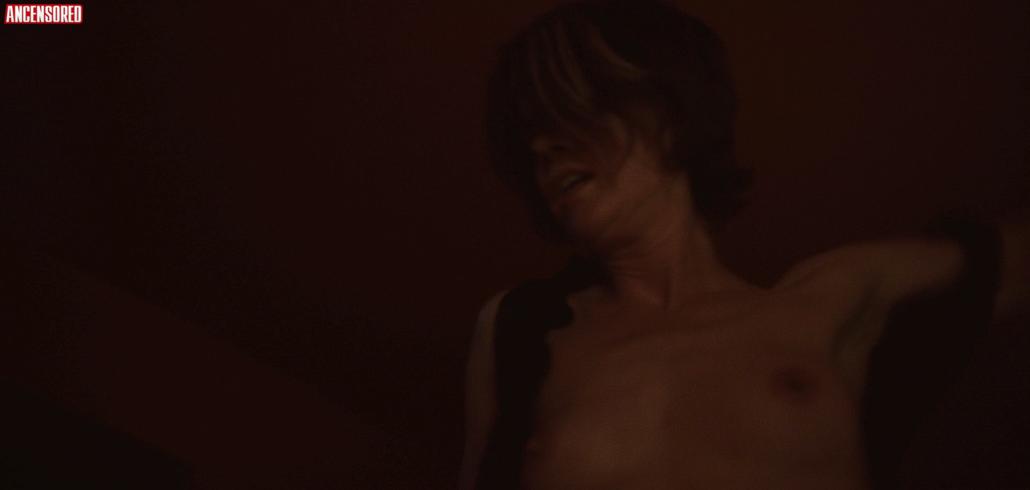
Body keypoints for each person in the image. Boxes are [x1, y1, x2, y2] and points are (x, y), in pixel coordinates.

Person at [459, 1, 1029, 489]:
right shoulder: (521, 329)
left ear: (667, 111)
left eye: (568, 107)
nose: (543, 146)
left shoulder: (829, 303)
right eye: (530, 131)